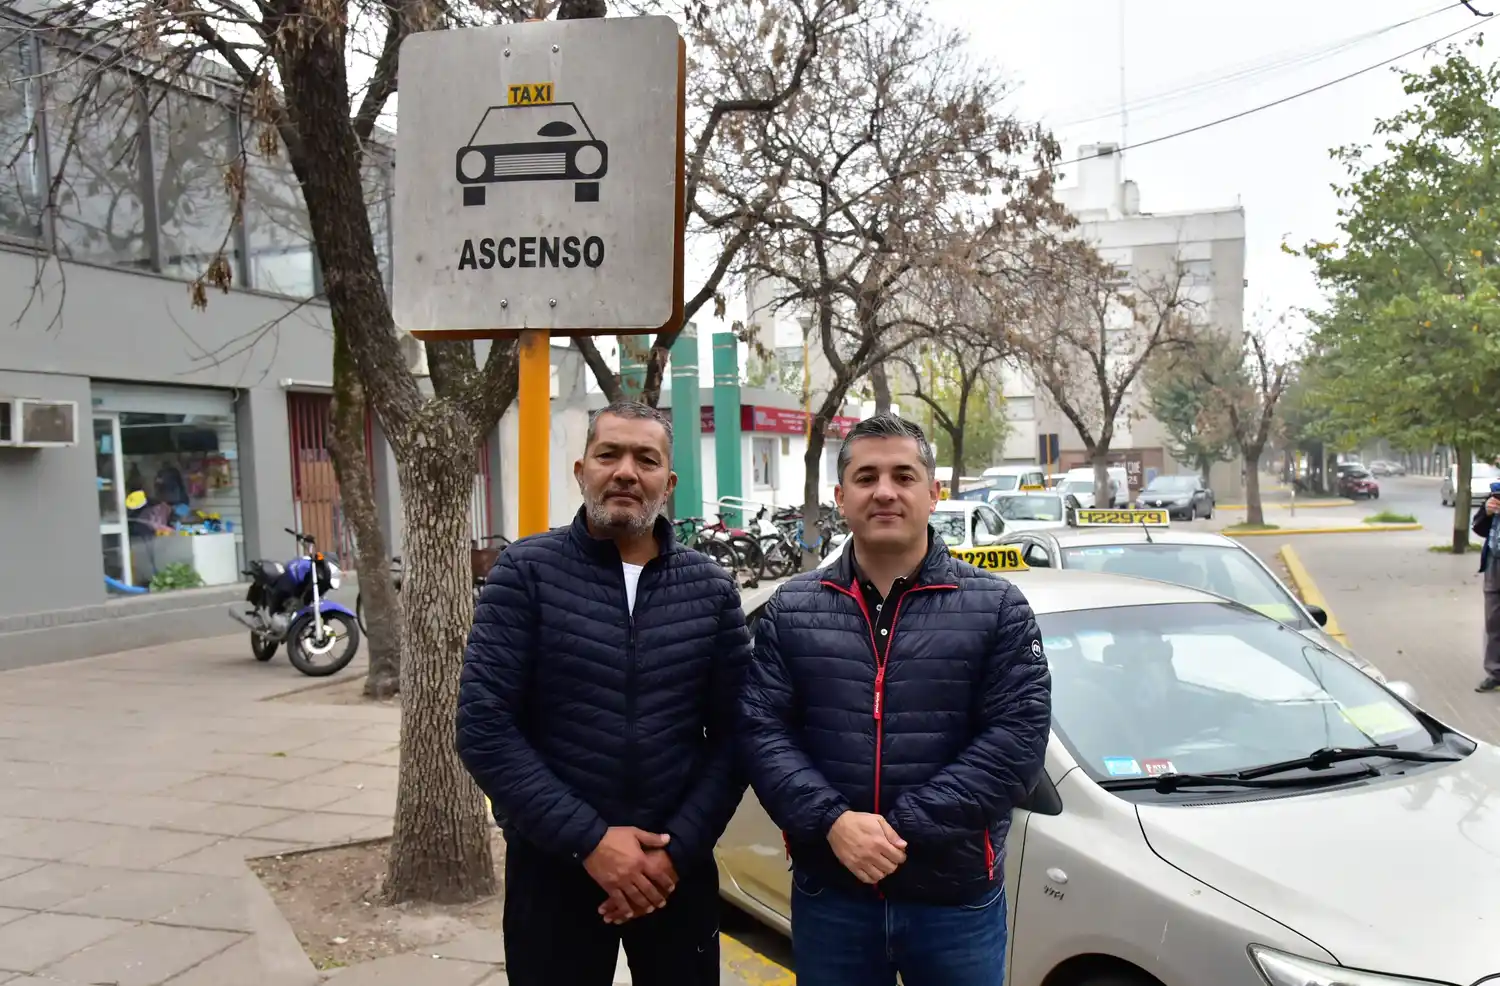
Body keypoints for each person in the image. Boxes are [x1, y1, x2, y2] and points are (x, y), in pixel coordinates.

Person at [738, 412, 1052, 986]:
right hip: (832, 893)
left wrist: (894, 830)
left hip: (954, 899)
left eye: (903, 476)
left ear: (934, 493)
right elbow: (762, 730)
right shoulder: (793, 608)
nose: (884, 491)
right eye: (866, 477)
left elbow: (1017, 743)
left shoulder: (998, 607)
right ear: (840, 496)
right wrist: (834, 822)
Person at [456, 400, 752, 986]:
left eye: (646, 459)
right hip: (554, 870)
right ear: (581, 470)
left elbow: (737, 735)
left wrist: (672, 855)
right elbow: (484, 727)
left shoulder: (710, 589)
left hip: (676, 874)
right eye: (608, 453)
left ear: (667, 482)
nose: (625, 471)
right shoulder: (525, 573)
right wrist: (590, 841)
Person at [1472, 488, 1500, 692]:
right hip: (1494, 564)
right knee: (1493, 620)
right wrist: (1487, 511)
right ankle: (1495, 672)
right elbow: (1479, 527)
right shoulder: (1496, 495)